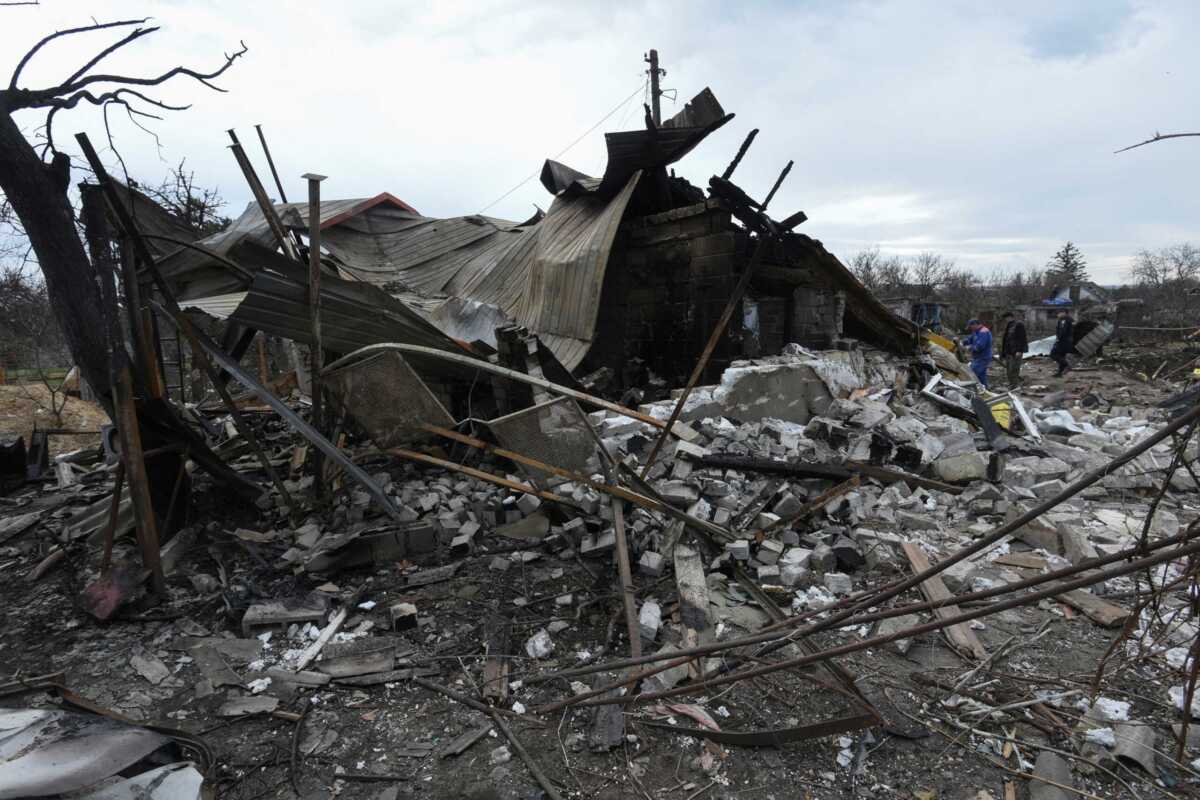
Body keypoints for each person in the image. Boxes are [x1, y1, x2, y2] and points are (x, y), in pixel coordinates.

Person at [1000, 311, 1028, 388]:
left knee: (1014, 368)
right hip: (1008, 350)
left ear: (1010, 317)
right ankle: (1011, 383)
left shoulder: (1019, 325)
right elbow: (1006, 339)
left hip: (1016, 351)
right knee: (1009, 368)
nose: (1005, 320)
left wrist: (1020, 350)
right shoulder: (1009, 325)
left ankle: (1014, 384)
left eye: (1006, 318)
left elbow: (1022, 338)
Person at [963, 319, 993, 389]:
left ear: (975, 325)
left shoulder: (983, 332)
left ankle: (971, 389)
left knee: (972, 373)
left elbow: (980, 346)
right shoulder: (976, 331)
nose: (970, 329)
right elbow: (970, 339)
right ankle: (986, 389)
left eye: (971, 327)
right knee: (981, 376)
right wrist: (962, 342)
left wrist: (969, 348)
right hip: (978, 357)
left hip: (983, 357)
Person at [1051, 309, 1074, 377]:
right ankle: (1060, 373)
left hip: (1064, 341)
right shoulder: (1062, 320)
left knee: (1053, 354)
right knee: (1061, 356)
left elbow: (1063, 332)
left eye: (1059, 313)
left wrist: (1058, 339)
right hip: (1066, 341)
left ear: (1064, 313)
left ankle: (1067, 365)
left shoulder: (1067, 320)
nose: (1057, 315)